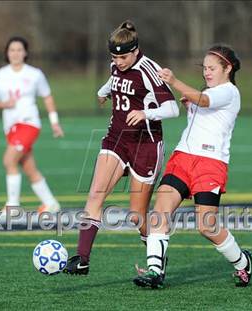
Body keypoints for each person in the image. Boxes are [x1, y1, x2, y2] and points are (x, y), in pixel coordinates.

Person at [62, 20, 179, 275]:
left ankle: (155, 257)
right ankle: (82, 259)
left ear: (136, 51)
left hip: (145, 146)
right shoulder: (116, 65)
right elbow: (113, 80)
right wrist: (102, 92)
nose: (119, 62)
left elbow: (173, 109)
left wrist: (145, 114)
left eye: (124, 57)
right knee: (95, 195)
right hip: (116, 140)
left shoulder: (149, 70)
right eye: (114, 58)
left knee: (137, 216)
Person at [133, 45, 252, 288]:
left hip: (210, 164)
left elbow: (206, 101)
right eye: (205, 68)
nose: (207, 73)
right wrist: (191, 106)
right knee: (160, 212)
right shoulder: (206, 91)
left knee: (206, 226)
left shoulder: (229, 92)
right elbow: (203, 105)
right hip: (183, 158)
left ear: (227, 69)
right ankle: (155, 272)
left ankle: (242, 262)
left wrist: (175, 81)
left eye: (212, 68)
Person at [0, 36, 64, 214]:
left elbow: (47, 96)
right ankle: (50, 203)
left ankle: (13, 205)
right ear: (7, 53)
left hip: (29, 124)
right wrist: (4, 104)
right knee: (29, 168)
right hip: (10, 128)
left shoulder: (35, 74)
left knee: (9, 160)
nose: (16, 53)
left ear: (26, 52)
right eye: (12, 50)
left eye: (19, 50)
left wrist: (54, 122)